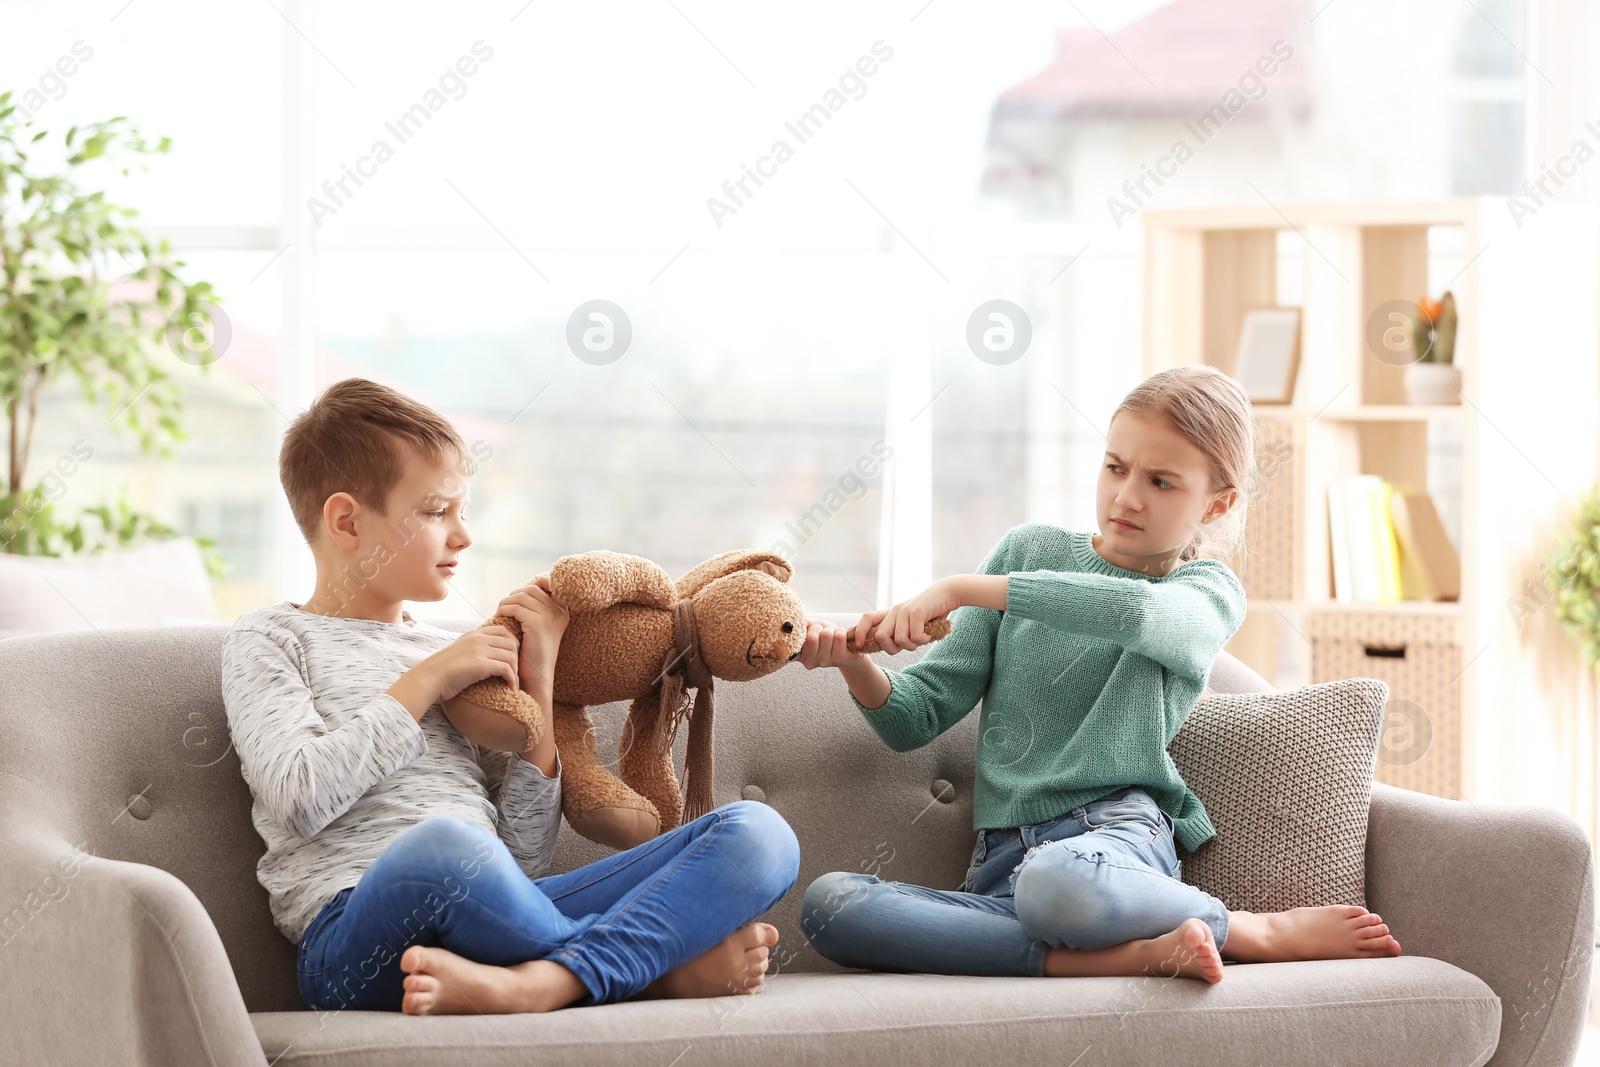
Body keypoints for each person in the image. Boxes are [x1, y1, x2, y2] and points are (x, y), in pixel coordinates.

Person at [793, 365, 1402, 983]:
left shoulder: (1205, 592)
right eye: (1116, 467)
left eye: (1161, 482)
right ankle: (1120, 957)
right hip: (999, 871)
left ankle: (1253, 929)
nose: (1127, 497)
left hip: (1110, 849)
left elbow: (1134, 613)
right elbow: (912, 718)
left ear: (1217, 504)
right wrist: (853, 663)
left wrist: (959, 589)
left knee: (1057, 881)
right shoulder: (1028, 552)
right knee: (829, 906)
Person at [221, 377, 799, 1015]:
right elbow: (300, 798)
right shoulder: (272, 638)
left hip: (502, 921)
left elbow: (521, 859)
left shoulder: (463, 654)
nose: (463, 536)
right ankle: (649, 971)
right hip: (355, 943)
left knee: (759, 834)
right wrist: (427, 681)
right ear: (347, 521)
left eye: (462, 512)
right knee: (445, 847)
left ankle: (552, 982)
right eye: (437, 511)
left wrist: (541, 685)